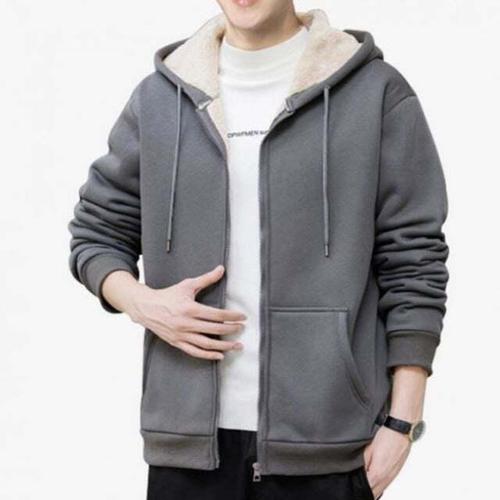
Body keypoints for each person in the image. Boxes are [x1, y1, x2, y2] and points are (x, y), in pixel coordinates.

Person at [68, 1, 449, 499]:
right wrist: (145, 305)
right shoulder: (159, 98)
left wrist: (403, 423)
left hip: (328, 444)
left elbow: (415, 259)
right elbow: (96, 232)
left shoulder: (376, 93)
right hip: (187, 447)